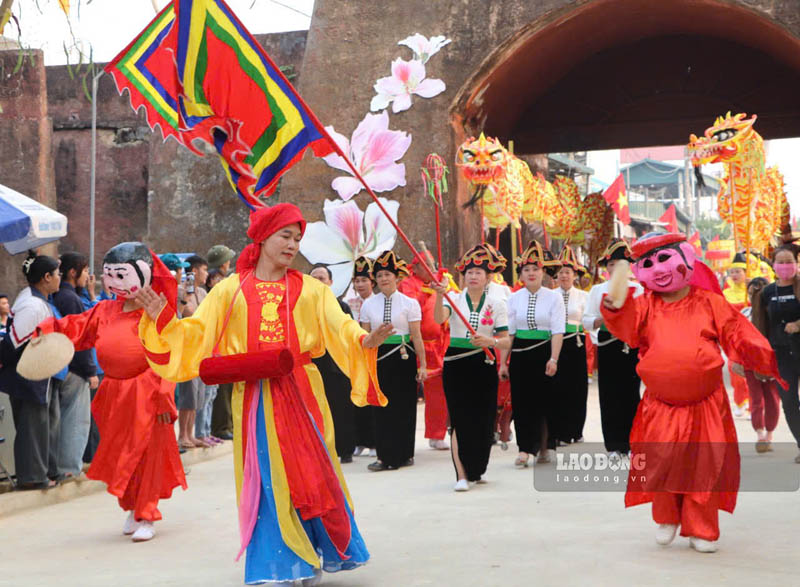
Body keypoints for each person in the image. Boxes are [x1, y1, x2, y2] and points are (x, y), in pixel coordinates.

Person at [136, 204, 391, 585]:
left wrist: (363, 340)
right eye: (285, 236)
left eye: (297, 239)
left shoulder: (310, 289)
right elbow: (195, 336)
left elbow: (340, 327)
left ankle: (314, 549)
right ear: (263, 237)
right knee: (268, 474)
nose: (293, 245)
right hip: (255, 396)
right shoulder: (229, 290)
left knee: (312, 470)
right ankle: (285, 560)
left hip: (304, 392)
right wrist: (164, 322)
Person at [600, 232, 782, 553]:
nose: (658, 269)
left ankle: (701, 527)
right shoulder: (645, 306)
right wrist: (615, 307)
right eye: (649, 264)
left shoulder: (708, 301)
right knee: (662, 461)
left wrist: (751, 359)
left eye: (664, 259)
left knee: (704, 463)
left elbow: (736, 331)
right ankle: (667, 516)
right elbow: (626, 327)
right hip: (660, 404)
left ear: (685, 259)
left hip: (705, 403)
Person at [36, 243, 187, 541]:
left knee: (147, 454)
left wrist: (164, 395)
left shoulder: (157, 312)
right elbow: (77, 327)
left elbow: (174, 352)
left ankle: (147, 512)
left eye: (122, 274)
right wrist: (47, 329)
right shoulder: (105, 309)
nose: (115, 282)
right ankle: (133, 506)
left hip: (148, 391)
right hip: (113, 394)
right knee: (122, 455)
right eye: (110, 275)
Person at [433, 244, 510, 491]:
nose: (473, 276)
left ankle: (476, 469)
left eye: (478, 272)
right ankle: (461, 474)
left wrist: (491, 342)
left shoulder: (497, 304)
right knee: (460, 419)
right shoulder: (453, 299)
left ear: (488, 277)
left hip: (484, 362)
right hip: (456, 362)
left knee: (483, 419)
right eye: (469, 272)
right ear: (463, 277)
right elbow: (438, 320)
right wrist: (439, 295)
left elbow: (506, 339)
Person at [0, 253, 63, 490]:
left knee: (39, 426)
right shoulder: (32, 305)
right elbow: (12, 344)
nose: (59, 278)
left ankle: (41, 473)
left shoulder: (35, 299)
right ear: (46, 278)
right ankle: (32, 477)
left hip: (36, 373)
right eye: (57, 274)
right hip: (27, 376)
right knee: (31, 428)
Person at [499, 242, 565, 467]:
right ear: (521, 274)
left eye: (535, 269)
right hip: (520, 355)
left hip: (545, 353)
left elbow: (558, 331)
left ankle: (547, 446)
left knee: (547, 402)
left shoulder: (553, 297)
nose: (531, 273)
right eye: (526, 270)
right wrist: (503, 363)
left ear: (543, 272)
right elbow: (509, 333)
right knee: (522, 402)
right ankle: (525, 449)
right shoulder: (514, 298)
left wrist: (554, 358)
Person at [360, 250, 426, 471]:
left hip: (403, 356)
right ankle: (384, 456)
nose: (384, 279)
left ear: (397, 277)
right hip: (378, 358)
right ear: (375, 280)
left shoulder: (410, 303)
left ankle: (405, 452)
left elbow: (416, 335)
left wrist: (423, 365)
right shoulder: (368, 305)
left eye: (388, 274)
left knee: (405, 404)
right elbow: (364, 337)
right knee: (381, 406)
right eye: (379, 276)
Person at [582, 239, 642, 455]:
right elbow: (586, 321)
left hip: (630, 347)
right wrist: (601, 319)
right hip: (608, 345)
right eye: (610, 265)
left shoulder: (639, 289)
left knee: (631, 394)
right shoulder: (598, 290)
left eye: (619, 264)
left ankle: (634, 440)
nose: (614, 269)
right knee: (609, 395)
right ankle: (614, 444)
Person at [52, 252, 99, 479]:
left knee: (65, 418)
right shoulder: (70, 299)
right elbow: (80, 339)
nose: (88, 276)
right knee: (75, 420)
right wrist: (90, 370)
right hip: (75, 370)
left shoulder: (64, 296)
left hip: (64, 366)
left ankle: (66, 466)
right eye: (86, 270)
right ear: (73, 272)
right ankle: (70, 468)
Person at [751, 245, 800, 462]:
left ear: (797, 263)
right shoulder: (768, 292)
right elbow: (760, 324)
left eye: (789, 261)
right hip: (781, 355)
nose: (785, 266)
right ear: (773, 265)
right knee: (789, 402)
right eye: (780, 262)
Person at [398, 250, 450, 451]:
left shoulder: (443, 281)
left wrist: (441, 289)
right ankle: (402, 438)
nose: (430, 270)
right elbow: (410, 309)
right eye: (425, 266)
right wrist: (429, 292)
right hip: (415, 344)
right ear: (416, 267)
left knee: (438, 392)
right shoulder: (408, 285)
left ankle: (437, 435)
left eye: (432, 266)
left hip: (439, 344)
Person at [309, 263, 358, 463]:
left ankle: (345, 449)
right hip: (313, 365)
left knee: (341, 408)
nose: (318, 282)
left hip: (337, 365)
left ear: (330, 282)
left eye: (322, 278)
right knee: (316, 409)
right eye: (314, 278)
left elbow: (350, 334)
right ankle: (319, 450)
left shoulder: (341, 307)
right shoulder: (301, 307)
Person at [737, 277, 780, 453]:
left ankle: (769, 432)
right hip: (750, 362)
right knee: (756, 399)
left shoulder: (774, 311)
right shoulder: (744, 313)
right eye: (752, 290)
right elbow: (736, 340)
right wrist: (737, 361)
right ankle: (760, 434)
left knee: (772, 399)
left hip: (772, 363)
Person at [553, 245, 589, 444]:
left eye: (567, 272)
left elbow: (590, 320)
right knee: (558, 387)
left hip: (575, 343)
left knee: (577, 387)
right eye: (560, 273)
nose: (564, 276)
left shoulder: (584, 296)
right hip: (556, 343)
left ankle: (576, 430)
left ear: (575, 274)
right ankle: (560, 431)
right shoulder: (550, 295)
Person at [347, 256, 377, 458]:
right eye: (357, 281)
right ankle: (359, 440)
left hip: (375, 354)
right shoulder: (350, 303)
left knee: (373, 397)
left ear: (372, 282)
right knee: (356, 397)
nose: (360, 284)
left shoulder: (379, 301)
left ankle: (375, 441)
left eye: (364, 280)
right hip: (354, 355)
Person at [208, 247, 237, 442]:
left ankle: (228, 424)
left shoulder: (223, 281)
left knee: (229, 387)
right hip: (218, 343)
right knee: (222, 389)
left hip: (228, 341)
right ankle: (221, 426)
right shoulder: (216, 283)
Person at [723, 253, 751, 417]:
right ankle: (741, 401)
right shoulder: (726, 293)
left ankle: (752, 406)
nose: (734, 275)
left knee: (751, 371)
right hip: (733, 336)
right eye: (732, 272)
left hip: (750, 336)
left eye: (738, 272)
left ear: (745, 273)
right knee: (734, 369)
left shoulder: (753, 289)